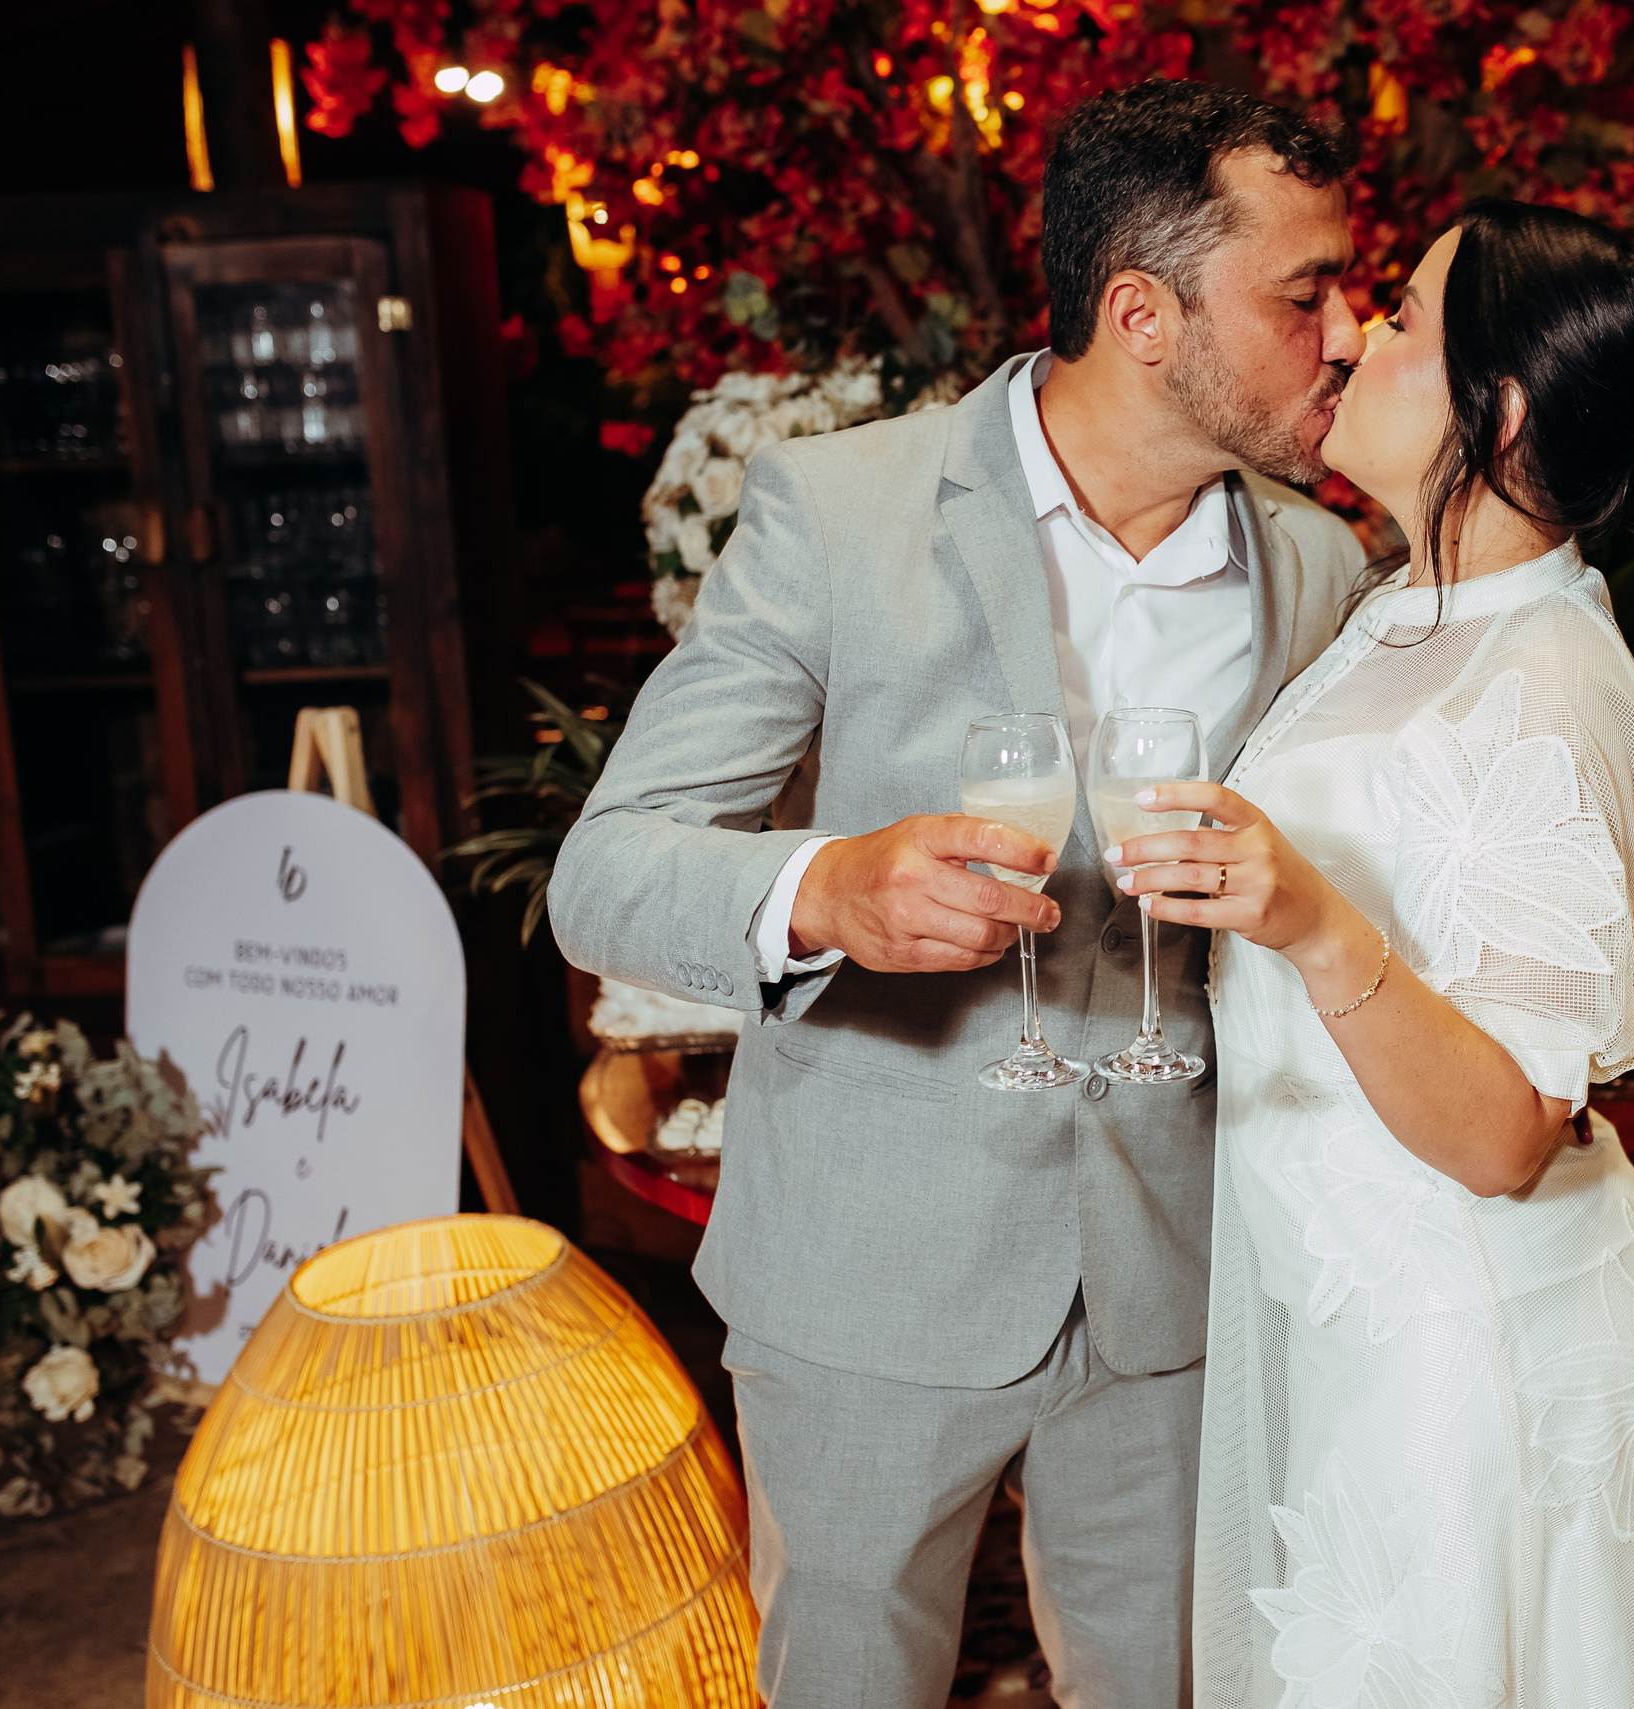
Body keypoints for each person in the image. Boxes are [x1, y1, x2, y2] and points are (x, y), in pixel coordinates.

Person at [547, 83, 1367, 1707]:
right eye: (1303, 294)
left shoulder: (1319, 571)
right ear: (1144, 313)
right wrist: (826, 886)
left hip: (1176, 1274)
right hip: (869, 1269)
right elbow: (605, 868)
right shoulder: (835, 513)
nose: (1344, 333)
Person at [1110, 200, 1634, 1705]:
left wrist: (1313, 918)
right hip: (1374, 1306)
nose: (1355, 335)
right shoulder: (1415, 609)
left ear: (1493, 410)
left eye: (1402, 321)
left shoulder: (1546, 682)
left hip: (1475, 1341)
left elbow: (1512, 1131)